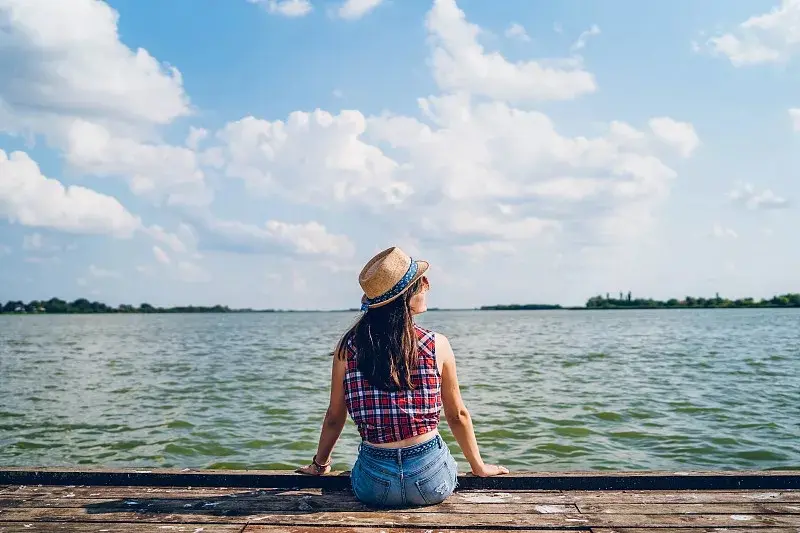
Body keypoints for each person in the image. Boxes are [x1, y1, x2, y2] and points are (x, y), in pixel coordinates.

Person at [297, 246, 508, 507]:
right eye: (422, 282)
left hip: (373, 485)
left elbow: (334, 417)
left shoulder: (347, 348)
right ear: (404, 296)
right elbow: (457, 415)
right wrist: (479, 467)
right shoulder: (437, 344)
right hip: (431, 481)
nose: (428, 285)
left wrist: (320, 464)